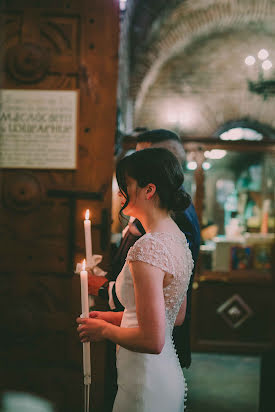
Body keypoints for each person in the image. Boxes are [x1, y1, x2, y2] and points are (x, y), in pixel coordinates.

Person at [88, 129, 200, 411]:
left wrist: (102, 330)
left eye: (125, 184)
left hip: (143, 380)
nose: (120, 191)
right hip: (165, 373)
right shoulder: (177, 239)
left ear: (149, 190)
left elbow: (151, 339)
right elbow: (175, 316)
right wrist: (116, 319)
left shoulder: (147, 247)